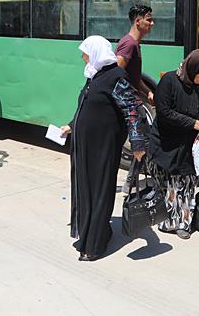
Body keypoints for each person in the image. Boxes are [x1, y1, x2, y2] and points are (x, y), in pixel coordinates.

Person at [60, 36, 147, 261]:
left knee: (99, 190)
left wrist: (138, 143)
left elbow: (133, 109)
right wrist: (71, 126)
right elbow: (86, 107)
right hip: (84, 147)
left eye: (85, 52)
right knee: (85, 189)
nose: (82, 57)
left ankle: (94, 245)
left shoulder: (116, 77)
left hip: (103, 148)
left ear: (96, 52)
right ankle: (90, 232)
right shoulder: (95, 75)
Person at [147, 50, 199, 239]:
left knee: (186, 185)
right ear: (192, 69)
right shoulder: (169, 82)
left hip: (189, 146)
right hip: (166, 143)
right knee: (168, 185)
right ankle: (167, 220)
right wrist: (193, 123)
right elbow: (164, 112)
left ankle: (183, 224)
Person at [115, 4, 155, 105]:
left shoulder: (134, 43)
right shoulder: (129, 44)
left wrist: (148, 92)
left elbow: (135, 78)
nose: (152, 23)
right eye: (149, 20)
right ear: (138, 21)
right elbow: (115, 74)